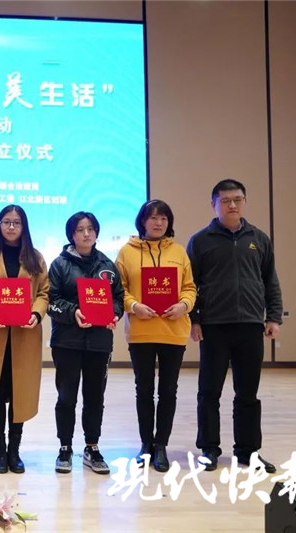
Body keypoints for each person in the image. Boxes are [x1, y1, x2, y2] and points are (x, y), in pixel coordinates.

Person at [187, 179, 282, 473]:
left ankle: (248, 451)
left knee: (248, 394)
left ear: (244, 202)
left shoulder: (259, 239)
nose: (232, 205)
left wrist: (273, 317)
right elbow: (189, 285)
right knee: (209, 392)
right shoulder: (200, 241)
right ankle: (209, 449)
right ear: (214, 204)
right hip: (214, 327)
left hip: (251, 326)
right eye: (225, 200)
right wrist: (194, 320)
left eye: (237, 199)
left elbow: (270, 281)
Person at [115, 200, 196, 472]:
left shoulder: (179, 252)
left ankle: (161, 445)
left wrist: (184, 305)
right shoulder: (126, 252)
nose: (158, 222)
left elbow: (190, 287)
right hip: (141, 331)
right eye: (153, 217)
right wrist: (134, 306)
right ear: (142, 221)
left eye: (163, 218)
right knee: (144, 390)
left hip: (174, 330)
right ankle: (146, 444)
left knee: (168, 390)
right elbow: (119, 289)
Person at [0, 205, 49, 474]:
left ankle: (14, 450)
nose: (11, 227)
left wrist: (36, 314)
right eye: (6, 222)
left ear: (24, 226)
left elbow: (44, 293)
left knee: (20, 394)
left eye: (16, 222)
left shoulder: (35, 258)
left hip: (24, 336)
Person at [47, 211, 123, 475]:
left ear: (97, 232)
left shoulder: (107, 265)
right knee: (66, 397)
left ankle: (92, 446)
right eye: (80, 229)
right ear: (72, 234)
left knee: (95, 397)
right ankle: (65, 447)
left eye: (90, 228)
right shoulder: (59, 264)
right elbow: (51, 300)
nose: (86, 233)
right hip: (67, 341)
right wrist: (74, 313)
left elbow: (118, 298)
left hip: (99, 342)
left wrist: (114, 313)